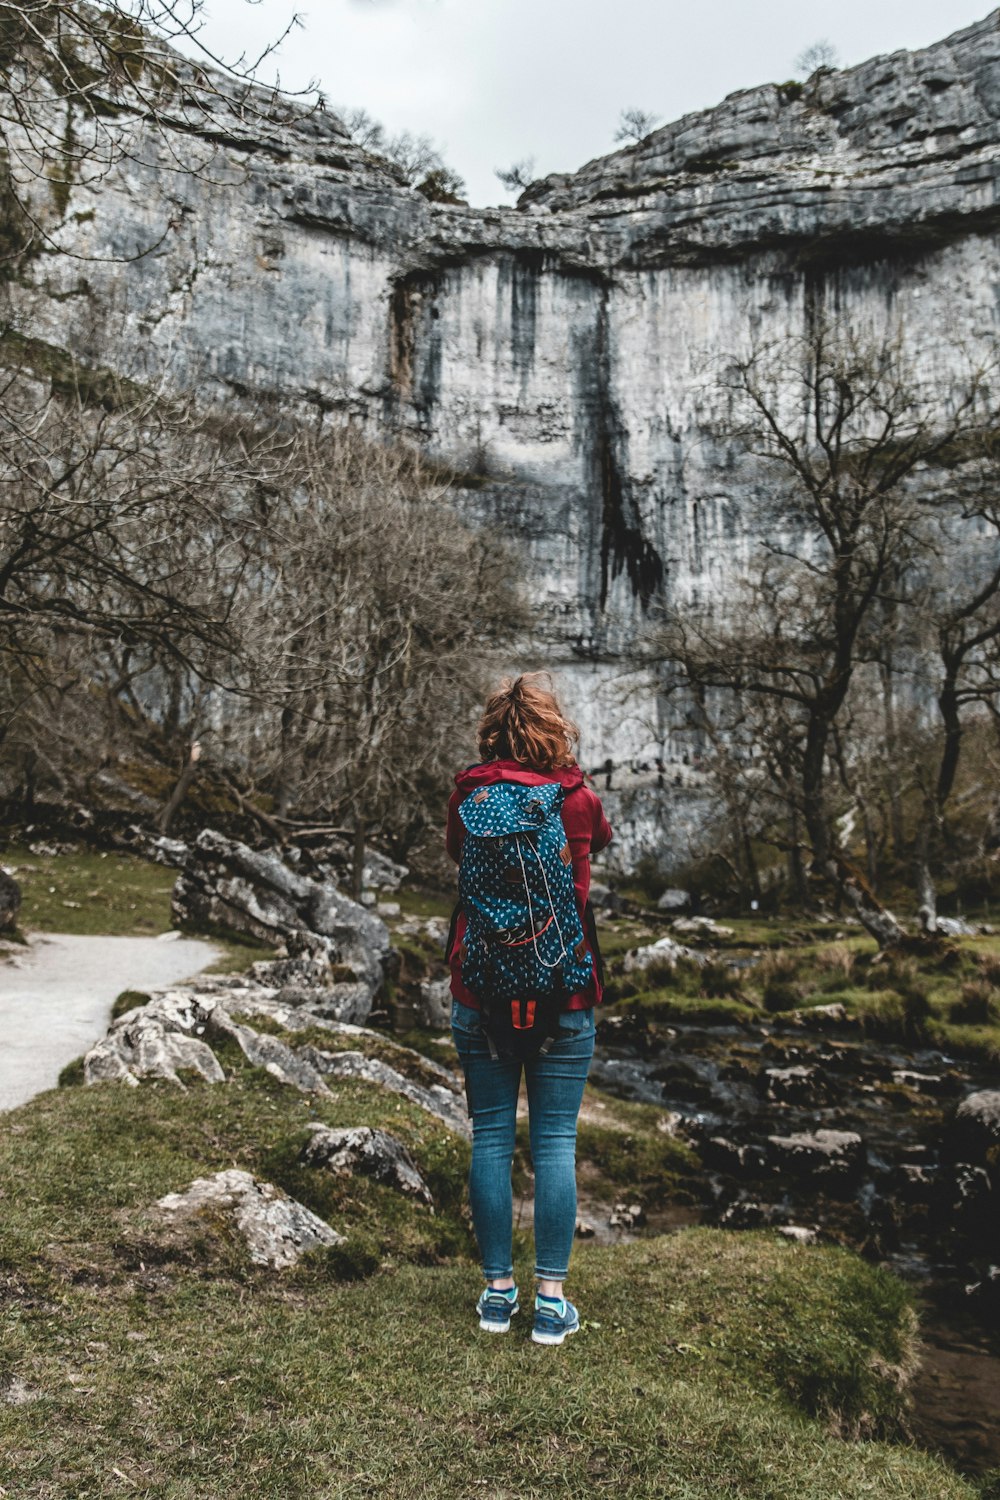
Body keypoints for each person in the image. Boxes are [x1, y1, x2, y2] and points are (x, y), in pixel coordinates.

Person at [446, 673, 613, 1346]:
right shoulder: (576, 797)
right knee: (554, 1142)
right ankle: (550, 1304)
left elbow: (459, 857)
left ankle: (495, 1296)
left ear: (492, 731)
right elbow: (595, 847)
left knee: (490, 1134)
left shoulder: (469, 793)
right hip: (563, 990)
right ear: (554, 730)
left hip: (480, 989)